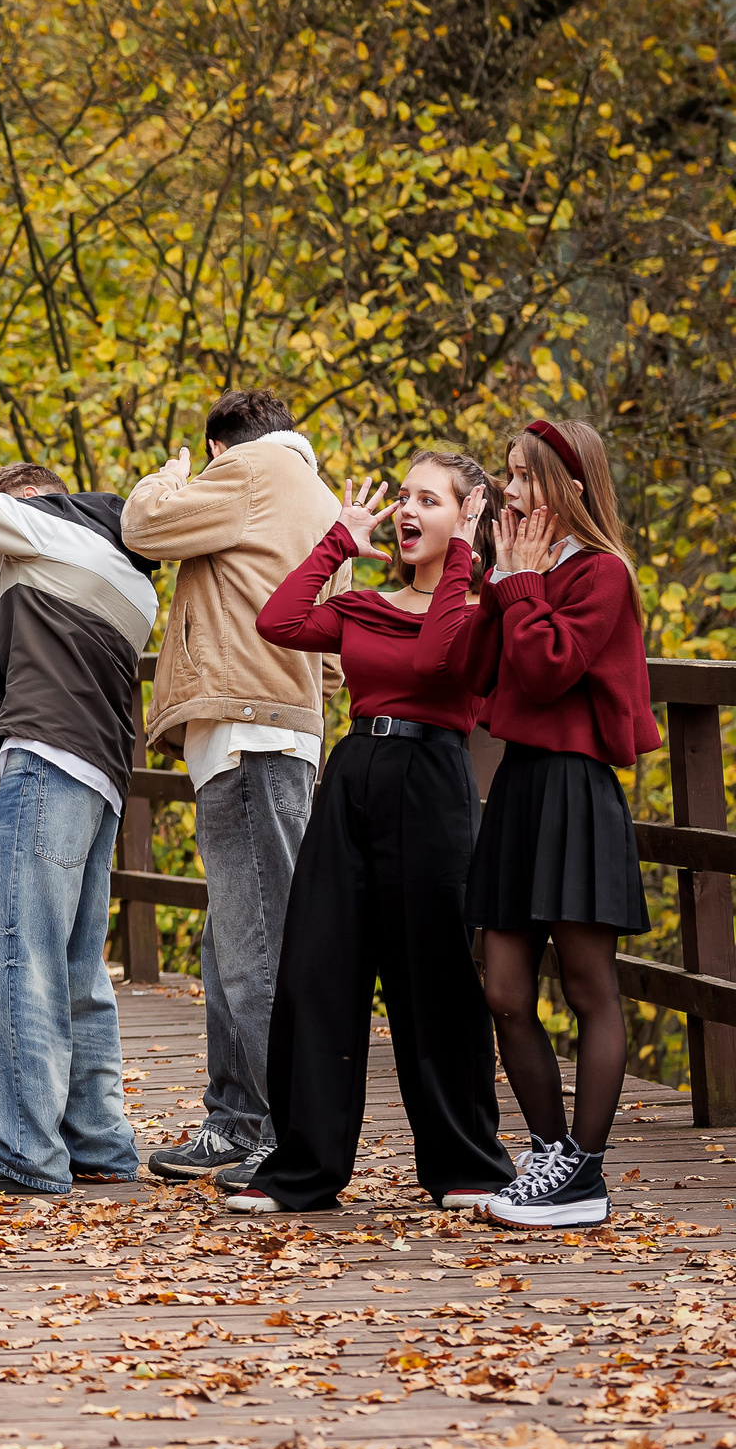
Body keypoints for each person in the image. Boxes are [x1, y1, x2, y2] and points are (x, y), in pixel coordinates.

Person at [224, 454, 517, 1214]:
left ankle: (466, 1164)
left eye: (431, 499)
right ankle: (304, 1167)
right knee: (319, 968)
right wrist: (337, 543)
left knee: (437, 978)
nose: (408, 510)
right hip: (354, 776)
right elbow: (277, 620)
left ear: (467, 517)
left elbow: (437, 656)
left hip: (432, 782)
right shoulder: (365, 604)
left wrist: (464, 558)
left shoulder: (476, 603)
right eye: (404, 497)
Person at [0, 461, 159, 1196]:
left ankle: (24, 1150)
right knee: (76, 964)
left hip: (45, 760)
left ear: (27, 501)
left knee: (15, 951)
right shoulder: (129, 571)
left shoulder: (42, 523)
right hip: (103, 776)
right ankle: (99, 1141)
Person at [120, 391, 341, 1189]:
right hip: (277, 732)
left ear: (218, 445)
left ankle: (283, 1136)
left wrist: (165, 477)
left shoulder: (247, 470)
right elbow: (333, 641)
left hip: (248, 733)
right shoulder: (318, 495)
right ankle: (235, 1121)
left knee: (255, 953)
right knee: (231, 944)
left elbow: (143, 526)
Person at [471, 419, 657, 1229]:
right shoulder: (522, 569)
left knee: (589, 988)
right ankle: (548, 1152)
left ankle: (584, 1170)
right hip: (519, 788)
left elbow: (547, 672)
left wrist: (520, 587)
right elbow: (479, 671)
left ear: (570, 490)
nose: (509, 492)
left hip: (577, 790)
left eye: (523, 477)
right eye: (508, 476)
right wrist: (497, 582)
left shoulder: (603, 574)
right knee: (505, 990)